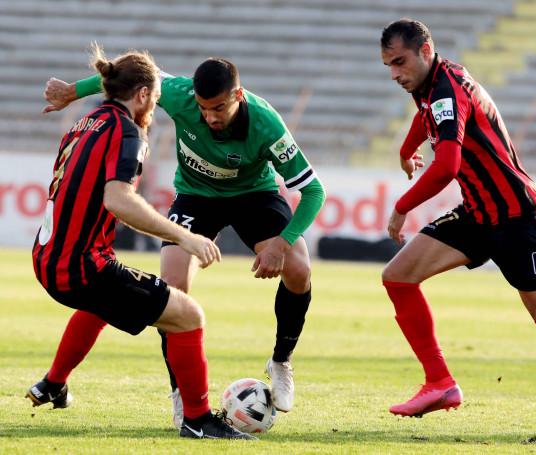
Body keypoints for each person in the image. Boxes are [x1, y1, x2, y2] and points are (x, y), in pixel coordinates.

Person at [379, 19, 536, 445]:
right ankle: (440, 383)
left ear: (425, 50)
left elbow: (446, 166)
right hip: (477, 214)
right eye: (388, 65)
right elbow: (428, 119)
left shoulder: (446, 88)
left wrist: (401, 207)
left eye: (399, 62)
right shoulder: (429, 85)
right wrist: (407, 150)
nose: (394, 73)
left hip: (518, 217)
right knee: (398, 277)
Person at [40, 55, 326, 427]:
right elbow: (125, 75)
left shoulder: (266, 123)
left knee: (299, 269)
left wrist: (281, 244)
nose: (210, 117)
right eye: (204, 109)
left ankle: (281, 361)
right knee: (173, 289)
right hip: (195, 197)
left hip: (253, 195)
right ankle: (180, 395)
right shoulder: (178, 93)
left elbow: (314, 191)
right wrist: (71, 92)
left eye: (219, 108)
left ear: (238, 95)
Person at [27, 43, 254, 441]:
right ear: (144, 94)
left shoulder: (85, 123)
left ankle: (53, 383)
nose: (155, 109)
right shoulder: (127, 130)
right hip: (80, 266)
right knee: (188, 315)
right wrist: (185, 236)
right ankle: (198, 420)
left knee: (104, 304)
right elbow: (118, 200)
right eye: (156, 99)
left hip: (47, 256)